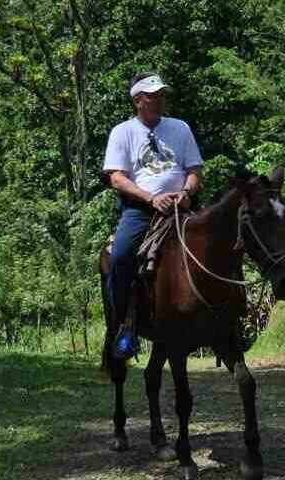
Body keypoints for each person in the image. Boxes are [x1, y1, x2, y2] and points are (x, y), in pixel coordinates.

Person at [103, 73, 203, 359]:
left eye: (161, 95)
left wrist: (186, 191)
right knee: (120, 256)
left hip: (181, 207)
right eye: (152, 96)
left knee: (221, 241)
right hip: (141, 211)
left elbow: (194, 170)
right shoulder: (123, 132)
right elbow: (117, 178)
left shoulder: (180, 128)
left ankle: (227, 318)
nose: (159, 100)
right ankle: (124, 327)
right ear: (138, 100)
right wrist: (151, 198)